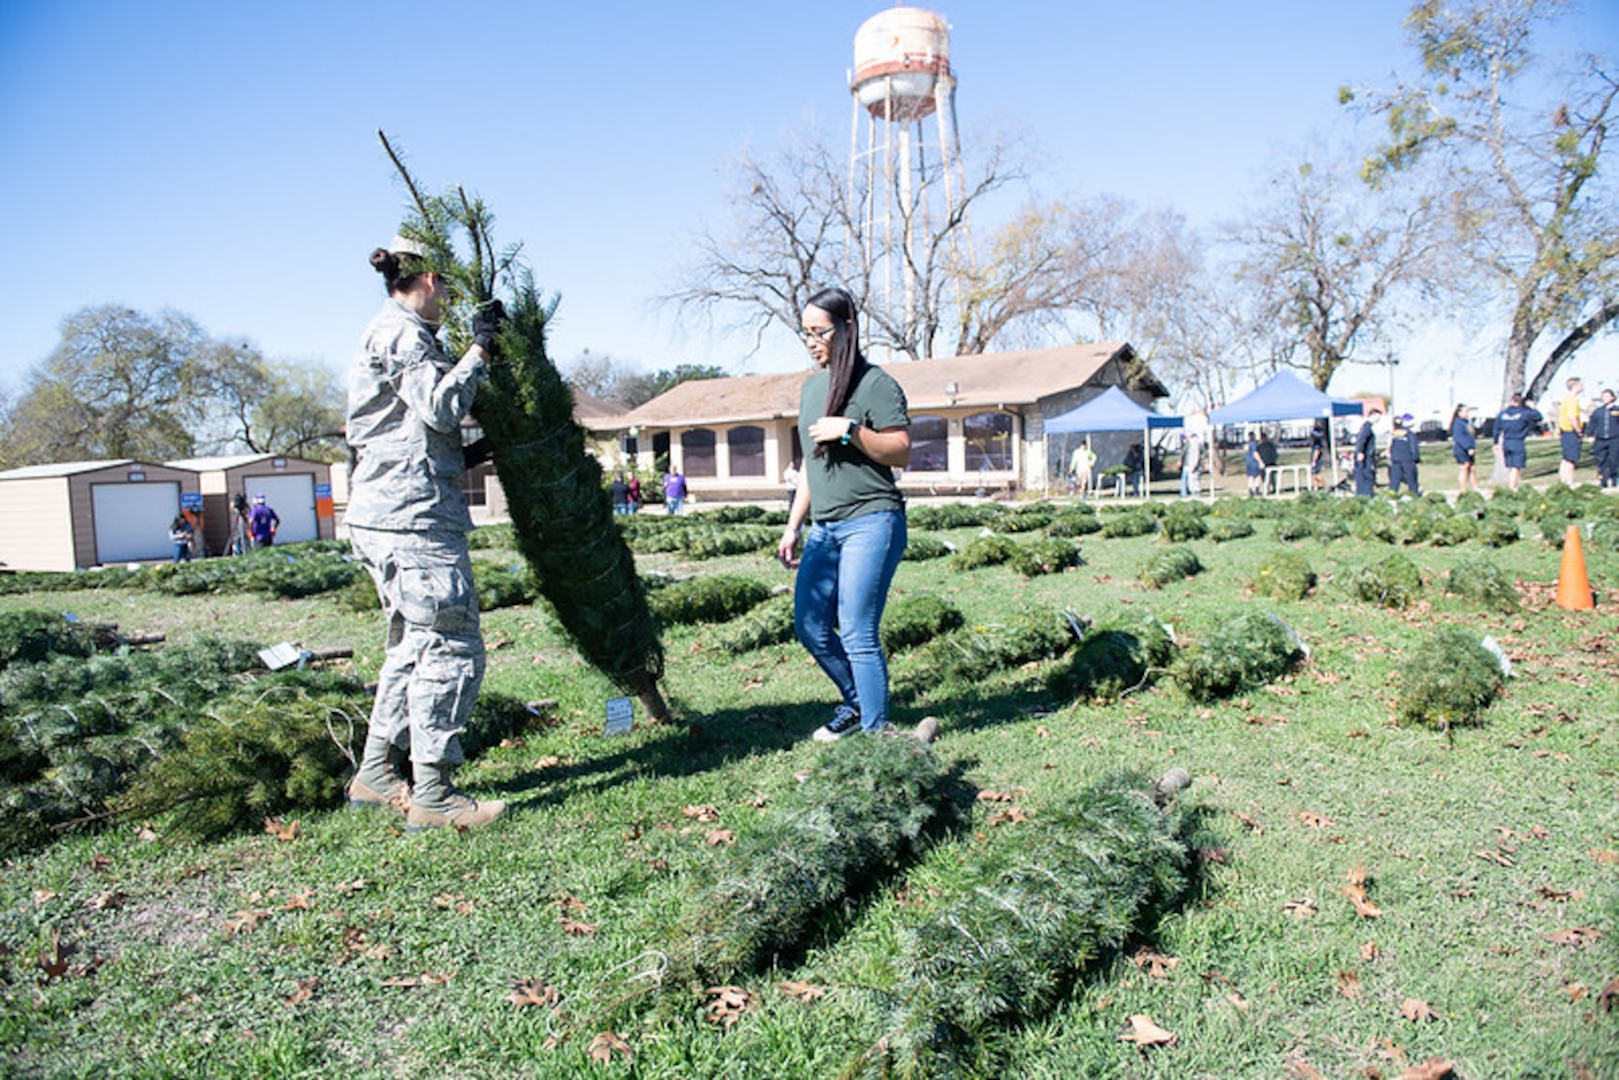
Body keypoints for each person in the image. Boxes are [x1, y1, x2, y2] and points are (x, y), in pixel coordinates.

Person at [343, 234, 508, 831]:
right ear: (432, 278)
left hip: (390, 511)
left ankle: (377, 772)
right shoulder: (405, 334)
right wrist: (480, 350)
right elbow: (439, 406)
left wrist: (470, 454)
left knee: (412, 645)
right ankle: (434, 793)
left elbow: (404, 431)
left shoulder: (387, 331)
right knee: (449, 640)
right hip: (412, 521)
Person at [775, 286, 910, 741]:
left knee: (857, 631)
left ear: (847, 328)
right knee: (810, 626)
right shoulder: (812, 389)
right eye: (805, 332)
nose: (811, 340)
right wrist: (793, 526)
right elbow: (813, 467)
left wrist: (851, 431)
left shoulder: (877, 384)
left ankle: (876, 737)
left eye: (819, 331)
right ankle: (856, 702)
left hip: (872, 522)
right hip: (825, 530)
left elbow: (901, 450)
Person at [1494, 393, 1542, 491]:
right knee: (1516, 467)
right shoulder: (1524, 413)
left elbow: (1496, 429)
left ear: (1511, 401)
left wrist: (1495, 442)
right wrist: (1533, 407)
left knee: (1511, 467)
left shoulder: (1502, 414)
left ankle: (1511, 485)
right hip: (1518, 441)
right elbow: (1539, 417)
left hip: (1506, 441)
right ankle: (1512, 488)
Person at [1557, 376, 1585, 486]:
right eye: (1581, 385)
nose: (1582, 387)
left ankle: (1564, 481)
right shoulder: (1571, 400)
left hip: (1565, 432)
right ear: (1575, 386)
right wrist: (1579, 431)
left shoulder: (1566, 400)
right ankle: (1569, 482)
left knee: (1566, 458)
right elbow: (1572, 417)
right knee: (1571, 459)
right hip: (1570, 432)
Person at [1589, 389, 1619, 488]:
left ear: (1613, 398)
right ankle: (1603, 481)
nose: (1604, 398)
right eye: (1603, 396)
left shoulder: (1617, 410)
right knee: (1601, 461)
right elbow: (1592, 424)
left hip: (1614, 439)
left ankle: (1614, 481)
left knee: (1613, 460)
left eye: (1607, 396)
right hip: (1600, 440)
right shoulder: (1598, 412)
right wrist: (1590, 435)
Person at [1388, 413, 1422, 495]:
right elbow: (1413, 447)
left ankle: (1391, 496)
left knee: (1394, 481)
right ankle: (1414, 496)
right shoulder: (1410, 433)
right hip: (1408, 460)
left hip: (1396, 460)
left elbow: (1392, 446)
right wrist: (1416, 459)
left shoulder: (1395, 433)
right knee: (1412, 481)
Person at [1353, 407, 1381, 497]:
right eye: (1378, 416)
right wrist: (1360, 452)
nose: (1379, 419)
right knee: (1366, 476)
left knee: (1367, 476)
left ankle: (1366, 493)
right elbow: (1361, 440)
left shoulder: (1367, 427)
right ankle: (1365, 494)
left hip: (1367, 456)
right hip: (1366, 458)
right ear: (1373, 415)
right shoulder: (1367, 427)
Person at [1450, 404, 1478, 493]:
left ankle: (1475, 487)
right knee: (1464, 468)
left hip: (1470, 449)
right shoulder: (1457, 424)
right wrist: (1468, 447)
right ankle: (1463, 489)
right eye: (1465, 411)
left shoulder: (1466, 423)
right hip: (1461, 449)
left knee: (1472, 468)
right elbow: (1459, 438)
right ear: (1459, 413)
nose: (1467, 413)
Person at [1179, 433, 1201, 497]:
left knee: (1194, 479)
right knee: (1189, 480)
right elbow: (1183, 454)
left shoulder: (1195, 445)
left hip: (1193, 465)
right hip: (1187, 465)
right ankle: (1185, 493)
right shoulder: (1187, 445)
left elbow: (1197, 456)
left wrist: (1195, 465)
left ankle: (1196, 492)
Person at [229, 491, 251, 556]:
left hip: (243, 522)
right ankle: (237, 551)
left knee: (244, 536)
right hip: (240, 523)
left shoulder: (245, 505)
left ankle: (245, 550)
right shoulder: (234, 505)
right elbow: (232, 508)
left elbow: (249, 512)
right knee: (238, 537)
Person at [1307, 421, 1328, 491]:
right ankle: (1316, 488)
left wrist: (1314, 461)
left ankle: (1326, 486)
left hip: (1316, 460)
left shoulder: (1317, 443)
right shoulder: (1316, 442)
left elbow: (1317, 451)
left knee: (1315, 474)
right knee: (1315, 474)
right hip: (1315, 459)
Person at [1244, 431, 1264, 496]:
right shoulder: (1253, 444)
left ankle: (1250, 490)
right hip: (1254, 462)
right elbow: (1255, 453)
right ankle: (1256, 490)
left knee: (1250, 477)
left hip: (1248, 462)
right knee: (1258, 476)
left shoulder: (1246, 444)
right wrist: (1260, 461)